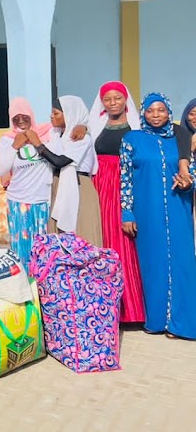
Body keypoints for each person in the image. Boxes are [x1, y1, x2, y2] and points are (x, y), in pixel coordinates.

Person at [120, 93, 196, 339]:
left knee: (183, 262)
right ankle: (157, 320)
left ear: (168, 112)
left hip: (178, 207)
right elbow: (126, 179)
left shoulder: (180, 137)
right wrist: (127, 211)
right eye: (150, 110)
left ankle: (182, 323)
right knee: (154, 264)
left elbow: (192, 170)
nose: (155, 115)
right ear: (143, 112)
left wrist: (188, 182)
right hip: (146, 210)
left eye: (161, 110)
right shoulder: (132, 139)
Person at [89, 81, 146, 323]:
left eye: (117, 98)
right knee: (102, 239)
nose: (113, 103)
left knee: (125, 243)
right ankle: (103, 305)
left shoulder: (137, 127)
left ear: (125, 100)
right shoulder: (95, 126)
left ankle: (130, 310)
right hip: (99, 188)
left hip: (125, 187)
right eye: (108, 99)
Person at [0, 98, 55, 267]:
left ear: (31, 115)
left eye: (24, 116)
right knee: (22, 250)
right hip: (18, 202)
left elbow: (70, 126)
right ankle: (26, 288)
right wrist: (15, 146)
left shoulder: (47, 133)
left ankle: (44, 287)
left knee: (44, 249)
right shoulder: (7, 140)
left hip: (43, 200)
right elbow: (1, 170)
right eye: (16, 117)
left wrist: (84, 127)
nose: (20, 120)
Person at [38, 96, 102, 246]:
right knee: (60, 239)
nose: (51, 117)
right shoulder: (56, 135)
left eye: (56, 113)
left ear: (69, 114)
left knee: (82, 232)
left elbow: (60, 161)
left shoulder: (81, 138)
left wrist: (38, 145)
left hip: (79, 188)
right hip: (59, 186)